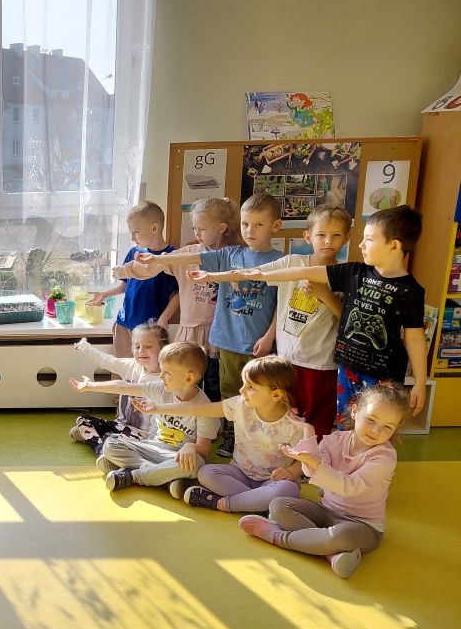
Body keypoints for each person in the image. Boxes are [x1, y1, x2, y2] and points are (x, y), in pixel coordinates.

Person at [207, 206, 427, 425]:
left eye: (368, 239)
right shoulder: (355, 271)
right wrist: (260, 274)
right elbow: (302, 271)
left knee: (375, 423)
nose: (361, 245)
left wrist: (419, 381)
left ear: (394, 245)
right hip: (346, 369)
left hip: (381, 375)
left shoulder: (410, 291)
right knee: (344, 422)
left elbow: (415, 339)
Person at [138, 193, 285, 457]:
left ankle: (257, 439)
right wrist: (158, 260)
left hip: (259, 344)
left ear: (275, 226)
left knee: (260, 392)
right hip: (227, 341)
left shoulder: (281, 261)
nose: (250, 231)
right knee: (230, 392)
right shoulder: (229, 254)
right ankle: (233, 437)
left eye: (258, 225)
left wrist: (269, 336)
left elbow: (280, 306)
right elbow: (189, 257)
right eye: (245, 224)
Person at [192, 204, 350, 436]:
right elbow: (254, 273)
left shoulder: (347, 274)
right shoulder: (292, 262)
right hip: (286, 359)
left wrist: (326, 296)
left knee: (318, 417)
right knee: (285, 412)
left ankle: (313, 455)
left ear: (346, 238)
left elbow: (346, 320)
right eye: (321, 235)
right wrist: (211, 275)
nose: (328, 241)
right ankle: (282, 451)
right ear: (308, 237)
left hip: (321, 362)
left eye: (336, 235)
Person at [239, 383, 409, 578]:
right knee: (278, 505)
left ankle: (276, 536)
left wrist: (312, 461)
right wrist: (308, 435)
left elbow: (349, 487)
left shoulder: (385, 457)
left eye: (387, 427)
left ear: (395, 429)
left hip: (363, 526)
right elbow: (313, 474)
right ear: (355, 411)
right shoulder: (334, 439)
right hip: (327, 511)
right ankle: (329, 553)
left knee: (342, 536)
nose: (376, 431)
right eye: (371, 420)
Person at [137, 355, 307, 513]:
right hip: (239, 475)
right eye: (244, 384)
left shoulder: (295, 425)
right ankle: (256, 503)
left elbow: (306, 460)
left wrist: (292, 472)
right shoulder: (239, 406)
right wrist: (157, 408)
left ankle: (223, 503)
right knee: (206, 473)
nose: (242, 391)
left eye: (251, 387)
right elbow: (197, 409)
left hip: (271, 481)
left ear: (275, 394)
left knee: (289, 488)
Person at [113, 196, 242, 401]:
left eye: (201, 229)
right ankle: (183, 416)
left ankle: (212, 417)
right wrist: (125, 270)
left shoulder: (234, 255)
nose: (196, 234)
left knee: (215, 381)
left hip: (220, 330)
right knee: (185, 380)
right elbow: (154, 265)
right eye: (194, 228)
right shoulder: (187, 253)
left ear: (221, 228)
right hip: (191, 329)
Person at [70, 342, 222, 495]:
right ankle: (165, 479)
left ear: (188, 378)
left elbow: (204, 448)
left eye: (167, 373)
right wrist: (90, 386)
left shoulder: (205, 407)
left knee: (198, 465)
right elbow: (124, 387)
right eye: (161, 370)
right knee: (110, 444)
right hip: (152, 447)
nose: (161, 376)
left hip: (176, 457)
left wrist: (191, 447)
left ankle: (133, 476)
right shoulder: (160, 389)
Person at [89, 201, 179, 358]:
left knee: (150, 369)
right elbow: (125, 286)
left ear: (154, 228)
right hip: (124, 323)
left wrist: (163, 319)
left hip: (151, 329)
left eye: (135, 232)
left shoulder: (172, 256)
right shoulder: (133, 253)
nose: (132, 237)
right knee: (122, 368)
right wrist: (105, 294)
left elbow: (177, 294)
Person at [68, 321, 168, 459]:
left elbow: (158, 421)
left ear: (163, 349)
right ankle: (103, 449)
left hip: (142, 435)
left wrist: (149, 446)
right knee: (83, 420)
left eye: (148, 346)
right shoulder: (131, 365)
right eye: (137, 346)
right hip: (121, 426)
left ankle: (103, 444)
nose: (141, 351)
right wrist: (84, 346)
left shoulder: (164, 381)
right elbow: (106, 361)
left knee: (110, 440)